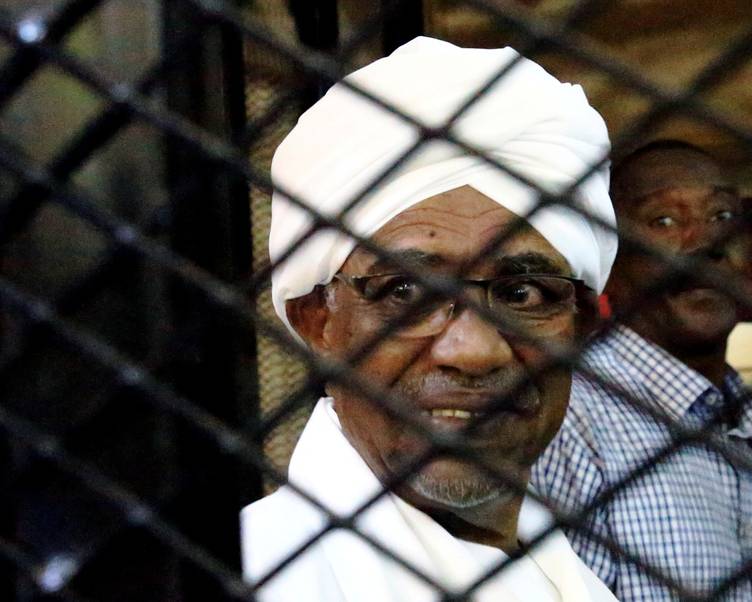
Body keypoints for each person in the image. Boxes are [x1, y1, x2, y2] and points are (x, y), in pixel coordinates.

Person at [241, 37, 619, 601]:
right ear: (318, 323)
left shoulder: (571, 581)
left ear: (579, 325)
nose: (473, 350)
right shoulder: (254, 576)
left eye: (522, 294)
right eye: (406, 293)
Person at [532, 140, 752, 600]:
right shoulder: (570, 416)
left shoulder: (749, 427)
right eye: (664, 221)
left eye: (722, 216)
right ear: (609, 258)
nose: (706, 243)